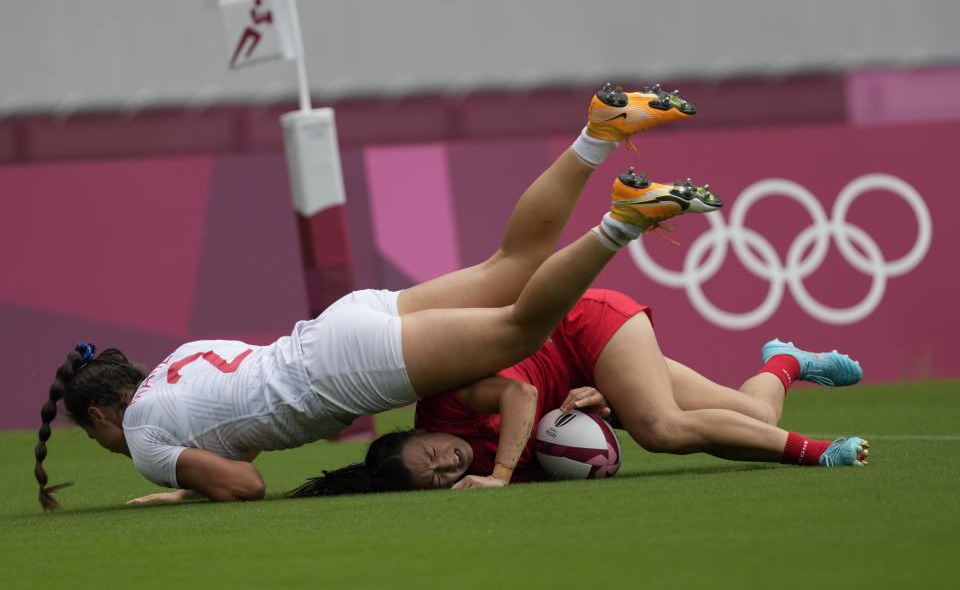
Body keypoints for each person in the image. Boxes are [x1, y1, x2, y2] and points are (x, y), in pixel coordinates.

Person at [34, 83, 722, 510]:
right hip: (341, 325)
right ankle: (599, 130)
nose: (107, 446)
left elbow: (245, 485)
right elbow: (236, 424)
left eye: (97, 438)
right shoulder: (179, 364)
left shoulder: (143, 435)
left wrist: (186, 488)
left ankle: (623, 218)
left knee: (520, 331)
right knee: (510, 266)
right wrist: (194, 478)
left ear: (102, 413)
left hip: (345, 367)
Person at [289, 288, 869, 496]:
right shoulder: (469, 477)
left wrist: (499, 475)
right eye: (436, 479)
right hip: (592, 376)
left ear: (419, 431)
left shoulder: (444, 400)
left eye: (432, 455)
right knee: (752, 411)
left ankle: (819, 452)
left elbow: (520, 399)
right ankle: (787, 361)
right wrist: (606, 410)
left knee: (661, 430)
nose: (447, 465)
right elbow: (563, 439)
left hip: (584, 327)